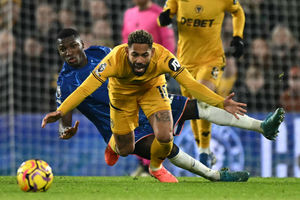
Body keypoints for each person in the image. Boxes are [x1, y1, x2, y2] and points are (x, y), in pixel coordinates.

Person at [44, 28, 283, 182]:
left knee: (188, 116)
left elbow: (190, 82)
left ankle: (258, 132)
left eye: (73, 45)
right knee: (135, 148)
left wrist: (221, 101)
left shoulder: (102, 52)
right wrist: (64, 125)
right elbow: (73, 104)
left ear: (82, 44)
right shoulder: (66, 82)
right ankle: (117, 145)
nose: (69, 52)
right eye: (63, 49)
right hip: (121, 113)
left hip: (148, 93)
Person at [158, 0, 246, 167]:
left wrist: (238, 36)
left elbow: (238, 11)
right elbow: (165, 15)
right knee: (192, 106)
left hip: (212, 59)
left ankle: (204, 151)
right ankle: (203, 150)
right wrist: (164, 18)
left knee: (203, 97)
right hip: (185, 61)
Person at [121, 0, 176, 176]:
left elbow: (168, 43)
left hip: (154, 77)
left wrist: (166, 68)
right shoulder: (128, 14)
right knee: (135, 120)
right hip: (132, 77)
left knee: (155, 121)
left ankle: (152, 165)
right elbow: (125, 45)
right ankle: (143, 164)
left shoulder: (160, 14)